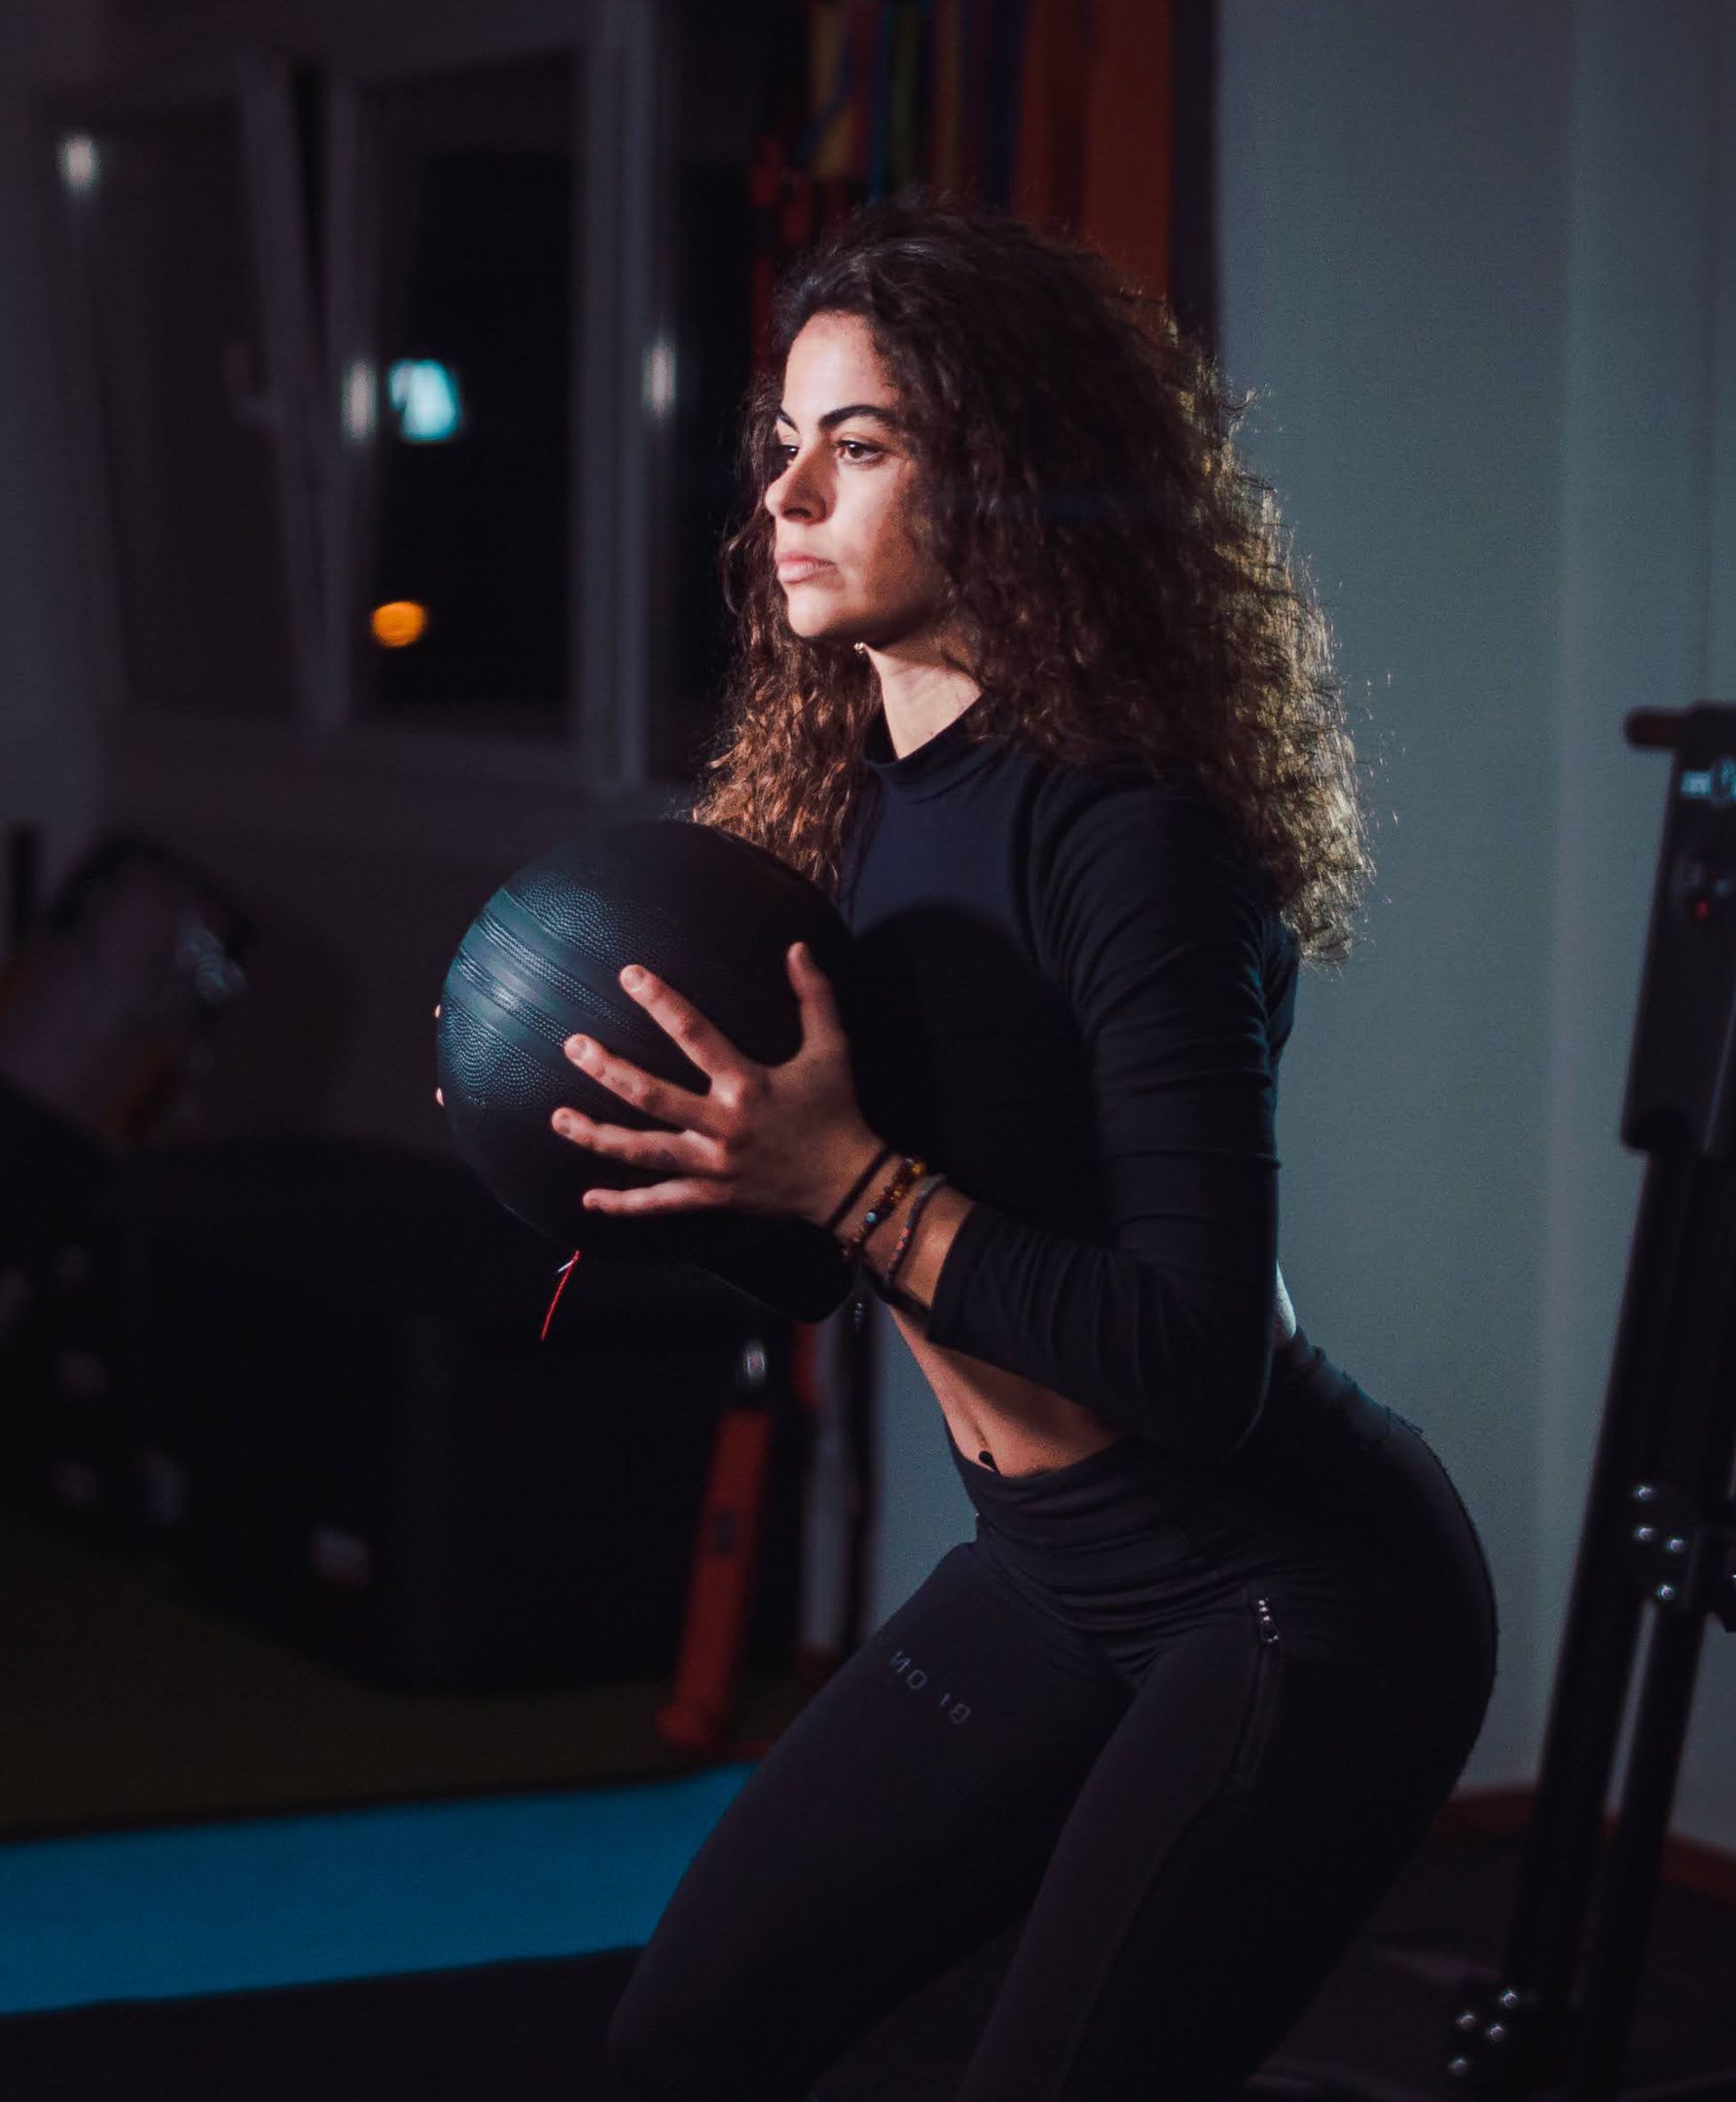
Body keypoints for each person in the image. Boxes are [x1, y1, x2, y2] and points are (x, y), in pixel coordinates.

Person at [558, 202, 1498, 2098]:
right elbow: (833, 1259)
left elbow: (1194, 1358)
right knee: (680, 2045)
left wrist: (843, 1180)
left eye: (867, 443)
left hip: (1291, 1600)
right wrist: (674, 1159)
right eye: (785, 445)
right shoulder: (839, 819)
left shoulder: (1130, 843)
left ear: (1011, 479)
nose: (791, 495)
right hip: (1050, 1573)